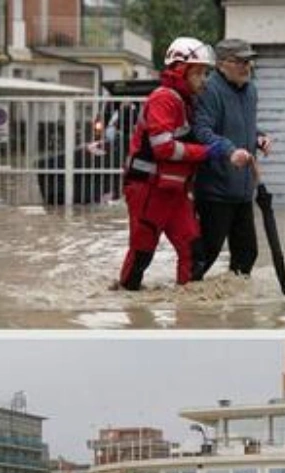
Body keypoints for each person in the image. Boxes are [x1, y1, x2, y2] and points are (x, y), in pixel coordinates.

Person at [117, 37, 253, 291]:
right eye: (199, 73)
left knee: (194, 252)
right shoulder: (163, 99)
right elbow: (163, 147)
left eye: (205, 72)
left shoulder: (186, 100)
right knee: (142, 253)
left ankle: (188, 312)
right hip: (148, 189)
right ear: (181, 71)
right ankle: (129, 308)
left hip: (174, 192)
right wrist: (207, 152)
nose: (204, 79)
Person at [192, 39, 274, 280]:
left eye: (248, 61)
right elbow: (202, 131)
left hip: (242, 189)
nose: (246, 66)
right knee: (206, 256)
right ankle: (186, 305)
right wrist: (229, 151)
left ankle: (235, 309)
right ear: (220, 64)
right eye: (239, 61)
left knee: (247, 254)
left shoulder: (251, 90)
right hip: (215, 190)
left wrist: (259, 138)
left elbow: (244, 127)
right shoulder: (210, 90)